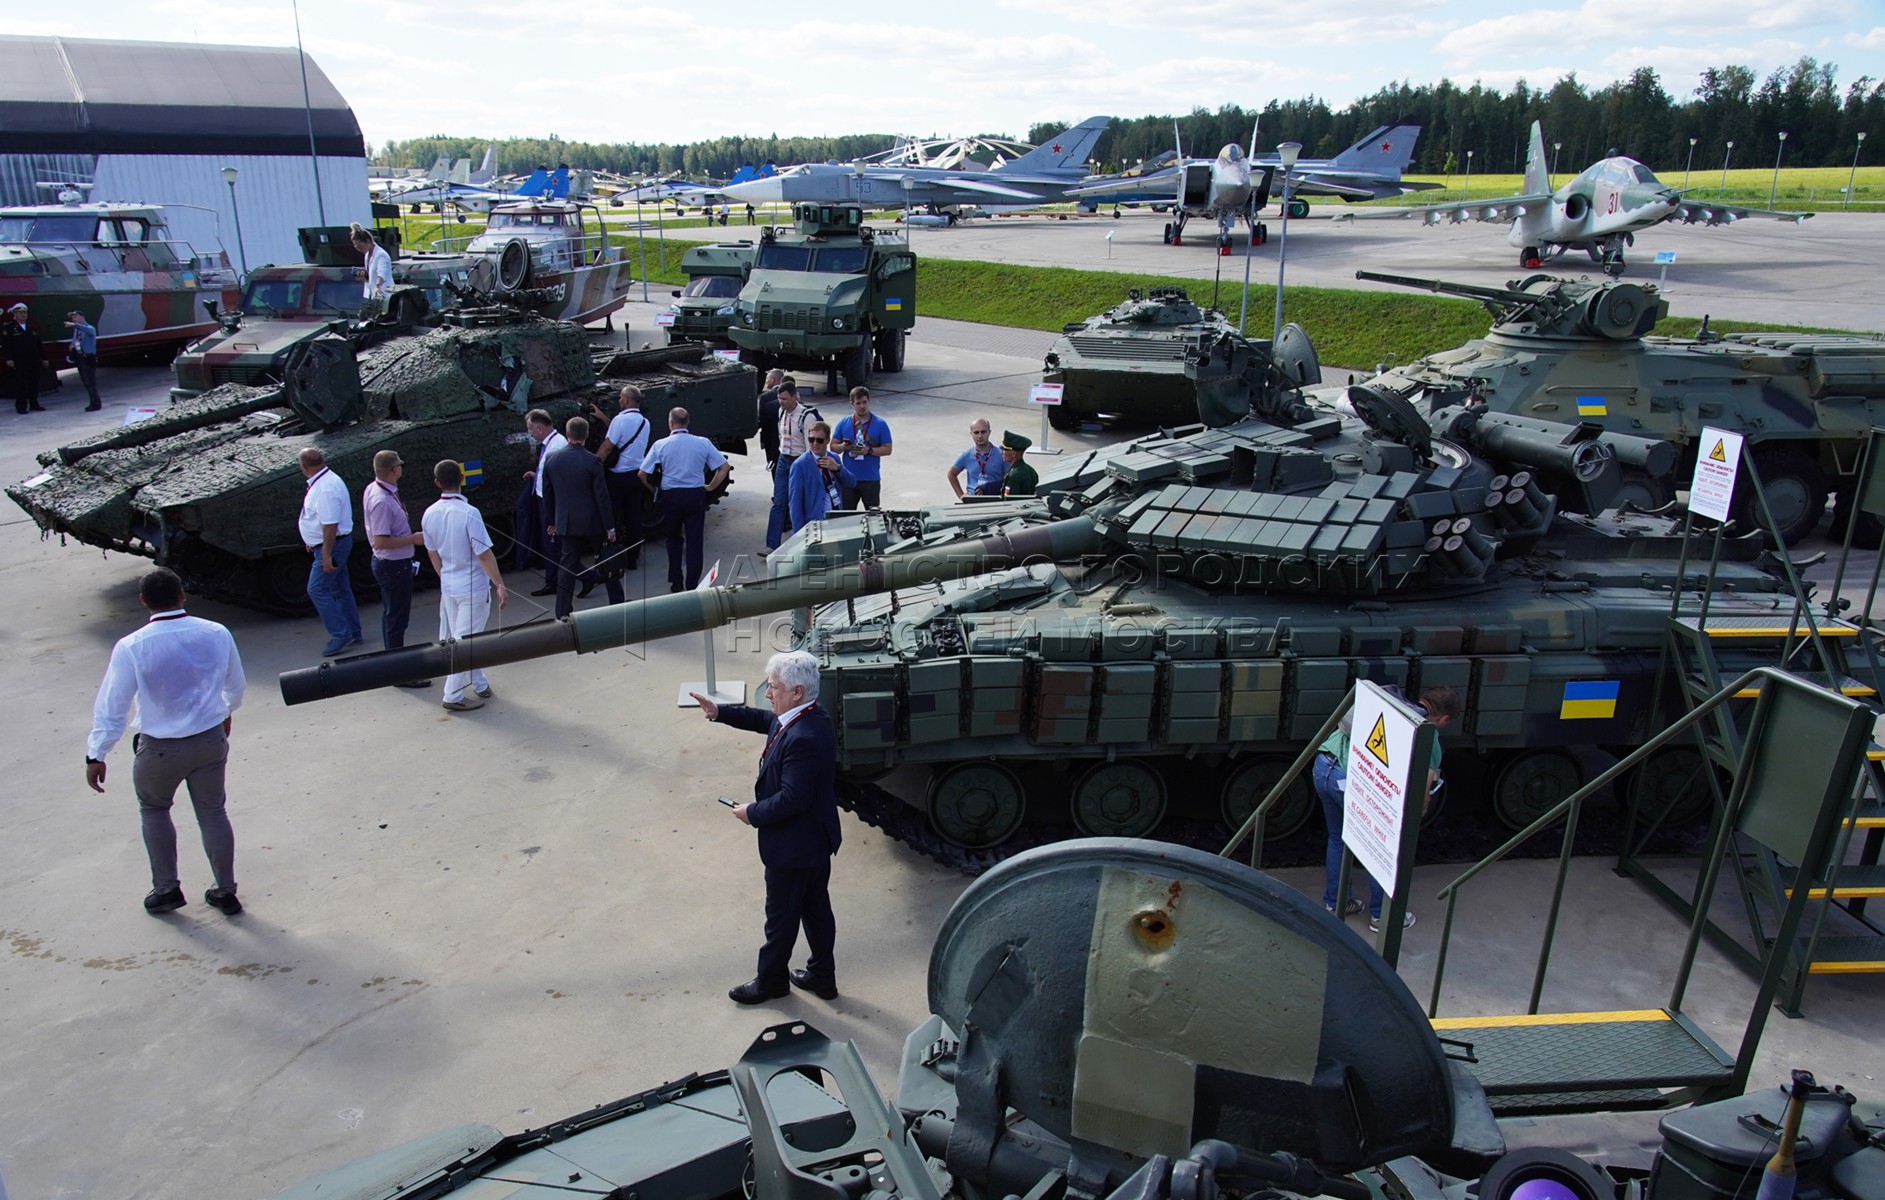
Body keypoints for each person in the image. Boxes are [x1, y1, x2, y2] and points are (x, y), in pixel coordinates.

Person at [85, 567, 246, 916]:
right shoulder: (216, 632)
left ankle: (167, 890)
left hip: (159, 749)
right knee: (213, 812)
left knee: (155, 810)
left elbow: (113, 707)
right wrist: (224, 712)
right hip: (209, 741)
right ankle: (226, 891)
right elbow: (235, 686)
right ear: (182, 594)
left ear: (143, 601)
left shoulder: (132, 646)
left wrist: (96, 754)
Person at [689, 650, 841, 1005]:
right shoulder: (807, 716)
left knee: (780, 919)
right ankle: (823, 976)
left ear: (798, 692)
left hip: (794, 848)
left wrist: (752, 812)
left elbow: (792, 799)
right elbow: (764, 720)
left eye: (773, 687)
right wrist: (720, 712)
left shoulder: (802, 737)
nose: (769, 693)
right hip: (816, 842)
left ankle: (771, 981)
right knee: (816, 910)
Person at [1315, 685, 1459, 932]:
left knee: (1338, 839)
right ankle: (1382, 916)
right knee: (1382, 848)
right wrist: (1421, 808)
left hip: (1323, 764)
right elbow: (1426, 778)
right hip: (1349, 780)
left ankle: (1337, 902)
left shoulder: (1388, 705)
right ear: (1444, 718)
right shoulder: (1427, 732)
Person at [423, 459, 509, 711]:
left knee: (458, 639)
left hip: (449, 584)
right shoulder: (469, 513)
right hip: (472, 586)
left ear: (437, 483)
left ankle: (479, 682)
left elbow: (432, 553)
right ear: (462, 478)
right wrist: (499, 584)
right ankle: (452, 694)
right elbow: (483, 554)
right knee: (465, 642)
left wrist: (444, 577)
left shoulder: (429, 513)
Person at [640, 406, 729, 592]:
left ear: (670, 423)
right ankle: (692, 583)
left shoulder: (660, 445)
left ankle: (676, 580)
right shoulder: (702, 442)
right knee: (695, 540)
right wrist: (711, 486)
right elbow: (724, 466)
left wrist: (655, 490)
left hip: (670, 496)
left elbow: (642, 473)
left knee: (673, 539)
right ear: (687, 422)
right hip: (695, 494)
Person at [541, 416, 622, 617]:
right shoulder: (593, 461)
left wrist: (551, 521)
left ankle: (562, 611)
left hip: (566, 522)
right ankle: (618, 603)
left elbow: (548, 494)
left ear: (567, 434)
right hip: (593, 522)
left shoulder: (551, 459)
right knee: (606, 561)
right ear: (586, 436)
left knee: (567, 565)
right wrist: (610, 527)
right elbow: (602, 497)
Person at [362, 450, 429, 687]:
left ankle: (393, 663)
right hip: (393, 565)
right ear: (394, 470)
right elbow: (381, 540)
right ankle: (399, 673)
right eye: (399, 465)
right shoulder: (381, 500)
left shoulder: (376, 489)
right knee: (396, 619)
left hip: (392, 564)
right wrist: (413, 539)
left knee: (392, 616)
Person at [298, 447, 364, 657]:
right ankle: (353, 631)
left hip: (333, 546)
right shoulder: (326, 480)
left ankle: (340, 633)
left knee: (316, 589)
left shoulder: (324, 488)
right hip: (331, 544)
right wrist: (313, 540)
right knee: (339, 588)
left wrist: (325, 554)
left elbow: (330, 525)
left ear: (304, 467)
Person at [591, 385, 652, 572]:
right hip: (636, 475)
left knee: (612, 518)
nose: (619, 400)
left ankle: (612, 557)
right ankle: (633, 557)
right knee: (633, 516)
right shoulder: (644, 422)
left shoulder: (620, 420)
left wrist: (592, 464)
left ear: (626, 400)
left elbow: (608, 446)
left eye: (620, 398)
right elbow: (624, 436)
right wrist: (602, 417)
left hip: (617, 477)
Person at [766, 379, 821, 552]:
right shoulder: (781, 413)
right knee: (778, 502)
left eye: (784, 399)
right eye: (779, 399)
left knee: (798, 503)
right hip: (783, 459)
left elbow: (810, 446)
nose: (781, 402)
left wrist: (810, 469)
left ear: (794, 397)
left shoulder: (806, 416)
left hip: (800, 461)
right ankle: (771, 544)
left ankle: (802, 544)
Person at [517, 409, 567, 597]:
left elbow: (555, 482)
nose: (529, 432)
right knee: (551, 546)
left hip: (549, 502)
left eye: (530, 428)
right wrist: (536, 474)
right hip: (543, 498)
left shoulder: (554, 447)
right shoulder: (552, 443)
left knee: (552, 546)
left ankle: (582, 578)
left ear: (539, 428)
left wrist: (553, 516)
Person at [830, 386, 892, 509]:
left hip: (871, 479)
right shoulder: (844, 423)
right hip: (848, 479)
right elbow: (833, 446)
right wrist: (843, 446)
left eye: (864, 402)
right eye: (858, 403)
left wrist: (868, 450)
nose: (862, 406)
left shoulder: (880, 424)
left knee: (873, 517)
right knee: (846, 518)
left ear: (869, 402)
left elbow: (888, 449)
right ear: (852, 404)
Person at [788, 421, 855, 531]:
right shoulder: (800, 465)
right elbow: (795, 503)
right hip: (814, 524)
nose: (814, 443)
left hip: (835, 520)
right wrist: (798, 534)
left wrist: (838, 468)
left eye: (819, 440)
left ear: (827, 440)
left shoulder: (834, 458)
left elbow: (852, 483)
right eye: (811, 439)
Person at [2, 302, 45, 414]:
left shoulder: (31, 327)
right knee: (21, 384)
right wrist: (9, 359)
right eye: (20, 313)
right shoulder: (10, 328)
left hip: (34, 359)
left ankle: (34, 404)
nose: (23, 315)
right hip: (19, 360)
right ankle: (21, 406)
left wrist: (44, 358)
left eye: (25, 312)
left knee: (33, 383)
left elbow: (39, 344)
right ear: (15, 314)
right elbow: (7, 345)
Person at [947, 419, 1007, 499]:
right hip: (973, 500)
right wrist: (961, 495)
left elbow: (1009, 480)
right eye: (976, 432)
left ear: (989, 432)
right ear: (971, 434)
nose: (980, 436)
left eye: (983, 432)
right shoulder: (966, 456)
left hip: (994, 499)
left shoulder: (1001, 455)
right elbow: (951, 474)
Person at [351, 224, 394, 319]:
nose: (358, 249)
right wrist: (365, 278)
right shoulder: (367, 255)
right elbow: (372, 277)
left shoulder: (381, 254)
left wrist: (378, 286)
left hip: (385, 296)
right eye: (356, 247)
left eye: (359, 246)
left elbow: (381, 273)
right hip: (373, 297)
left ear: (368, 241)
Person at [65, 311, 102, 411]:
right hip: (80, 357)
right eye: (72, 318)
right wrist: (72, 346)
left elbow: (88, 330)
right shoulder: (77, 330)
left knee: (90, 382)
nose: (73, 319)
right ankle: (93, 401)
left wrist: (74, 325)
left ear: (82, 317)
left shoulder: (89, 328)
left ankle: (96, 403)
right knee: (85, 381)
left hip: (88, 357)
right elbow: (75, 340)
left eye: (75, 317)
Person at [757, 368, 784, 473]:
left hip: (771, 440)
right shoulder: (792, 394)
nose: (766, 381)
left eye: (767, 378)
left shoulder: (765, 397)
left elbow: (763, 421)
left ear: (773, 380)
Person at [999, 430, 1038, 497]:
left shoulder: (1014, 475)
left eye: (1004, 450)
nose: (1001, 452)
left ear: (1013, 454)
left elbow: (1010, 500)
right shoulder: (1031, 470)